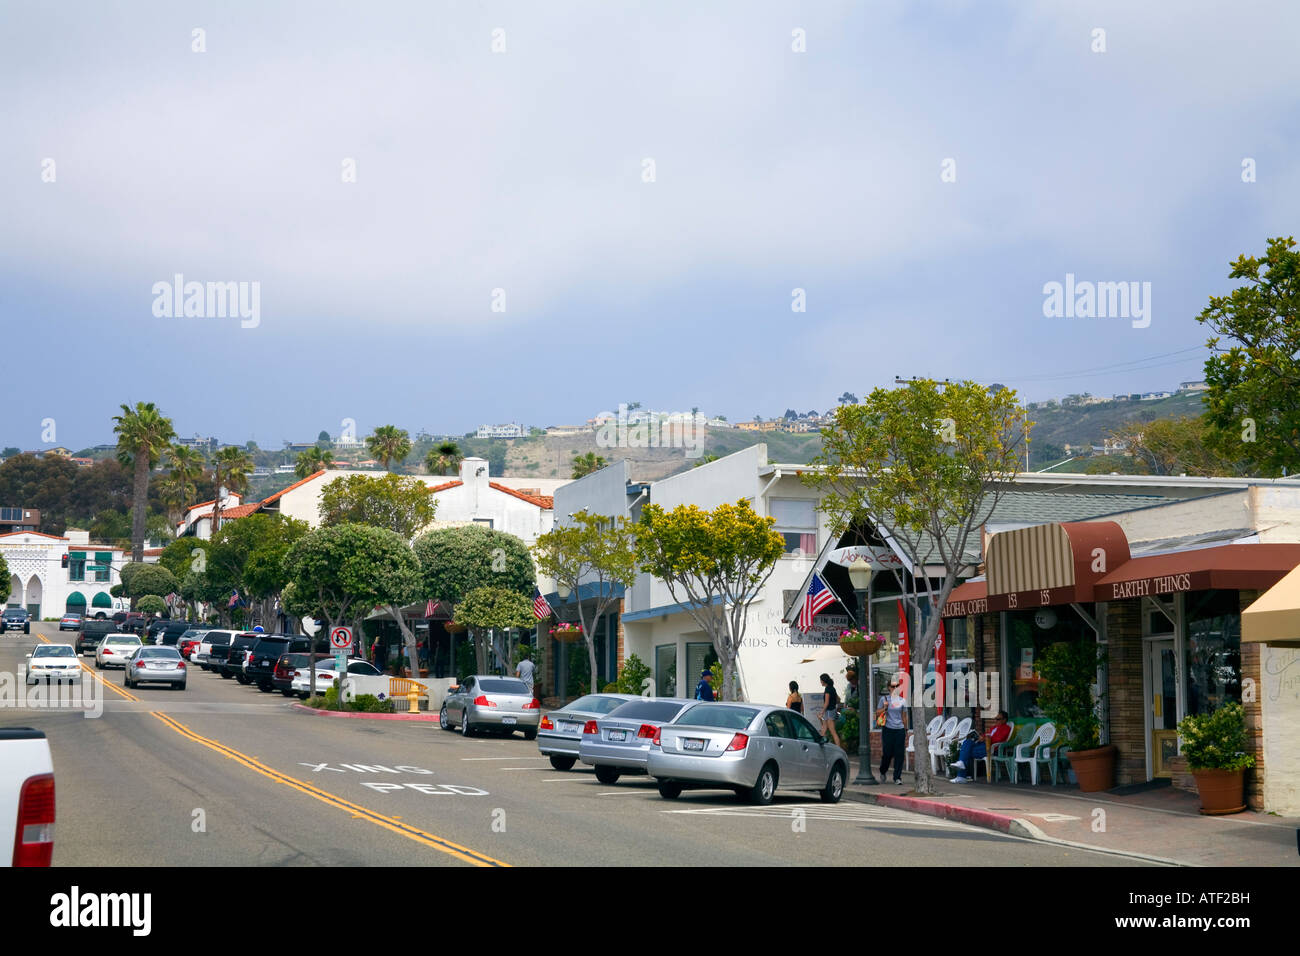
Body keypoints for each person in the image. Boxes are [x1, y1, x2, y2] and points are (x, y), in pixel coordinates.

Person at [951, 710, 1012, 783]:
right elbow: (986, 734)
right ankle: (962, 768)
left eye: (998, 719)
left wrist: (986, 738)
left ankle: (961, 775)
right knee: (967, 742)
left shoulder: (1006, 728)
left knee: (966, 752)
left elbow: (998, 739)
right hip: (983, 745)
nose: (996, 721)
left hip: (991, 748)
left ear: (1004, 720)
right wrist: (981, 737)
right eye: (995, 719)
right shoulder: (994, 727)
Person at [877, 676, 909, 785]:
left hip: (899, 729)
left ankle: (897, 777)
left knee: (899, 754)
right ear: (888, 688)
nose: (895, 688)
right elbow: (877, 713)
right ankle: (883, 771)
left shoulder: (902, 700)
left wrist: (906, 729)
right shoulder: (884, 699)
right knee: (887, 753)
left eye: (897, 686)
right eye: (893, 686)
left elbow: (904, 716)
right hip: (888, 729)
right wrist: (885, 708)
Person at [818, 673, 842, 747]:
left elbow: (826, 702)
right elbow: (838, 699)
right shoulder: (832, 688)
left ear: (823, 681)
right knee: (823, 730)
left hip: (829, 711)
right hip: (831, 710)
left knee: (832, 731)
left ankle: (839, 749)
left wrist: (821, 712)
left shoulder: (828, 689)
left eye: (820, 680)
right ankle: (822, 746)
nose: (820, 682)